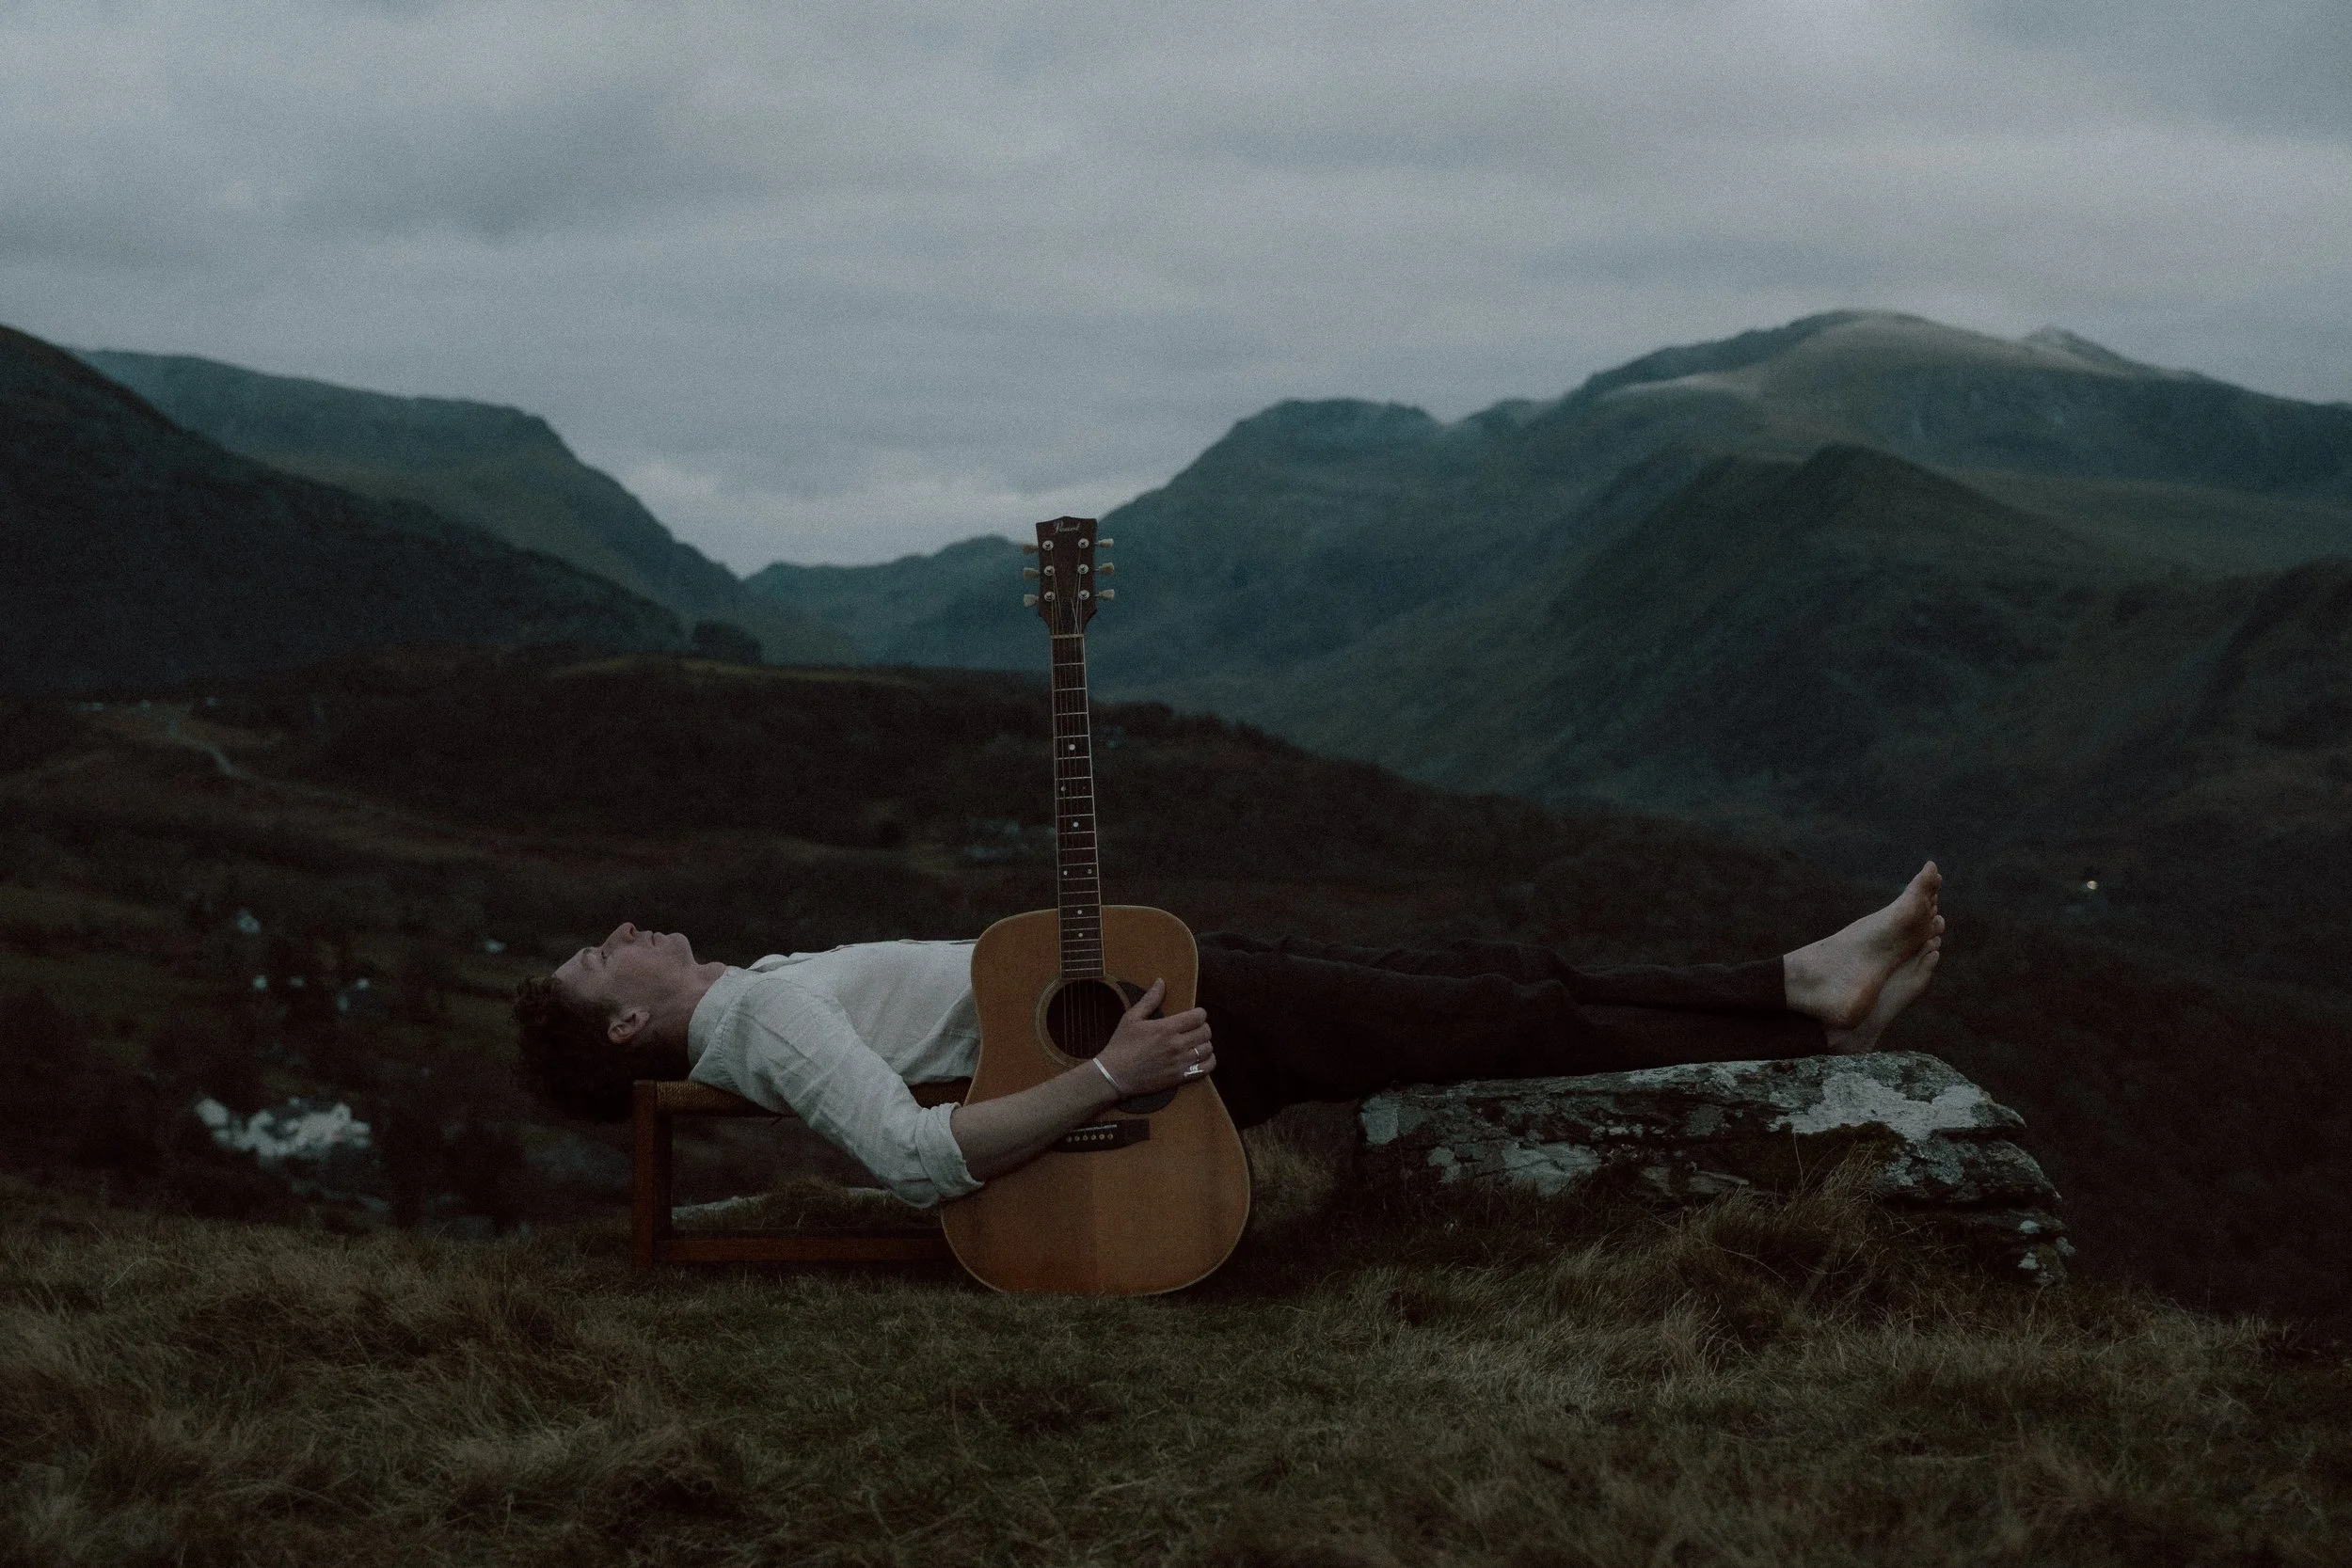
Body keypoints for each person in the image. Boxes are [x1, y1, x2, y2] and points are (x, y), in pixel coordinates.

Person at [513, 864, 1944, 1208]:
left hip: (1152, 1002)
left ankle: (1796, 995)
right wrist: (1112, 1071)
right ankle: (1801, 1009)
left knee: (1488, 986)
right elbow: (913, 1156)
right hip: (1160, 1034)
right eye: (598, 955)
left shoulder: (757, 995)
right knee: (1491, 1010)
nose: (620, 925)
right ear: (630, 1018)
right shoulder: (762, 1015)